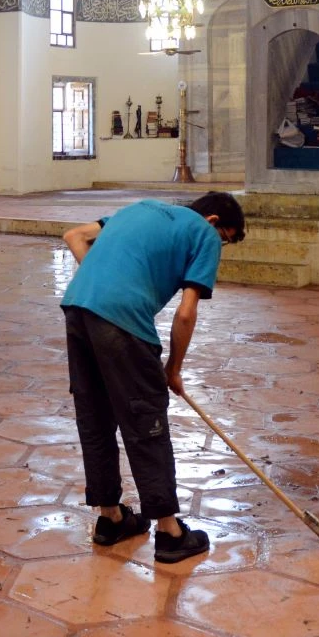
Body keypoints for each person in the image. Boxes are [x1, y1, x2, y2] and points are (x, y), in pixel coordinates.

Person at [58, 192, 246, 563]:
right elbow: (186, 314)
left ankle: (111, 519)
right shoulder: (204, 233)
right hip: (122, 321)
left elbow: (73, 236)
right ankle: (169, 532)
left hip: (78, 306)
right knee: (146, 421)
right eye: (225, 238)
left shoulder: (139, 209)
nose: (220, 245)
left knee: (95, 418)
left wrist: (103, 282)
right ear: (213, 221)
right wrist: (173, 369)